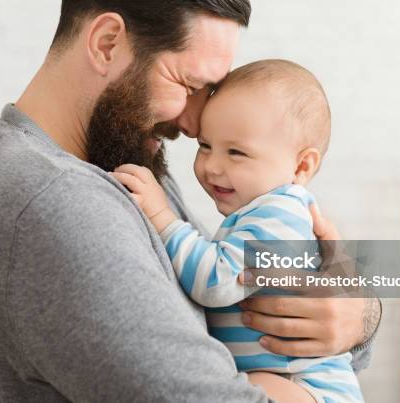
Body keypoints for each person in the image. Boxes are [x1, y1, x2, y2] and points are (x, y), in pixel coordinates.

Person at [0, 1, 380, 402]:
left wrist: (357, 317)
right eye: (189, 85)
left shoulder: (121, 162)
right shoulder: (55, 200)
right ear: (107, 44)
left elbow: (230, 292)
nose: (194, 125)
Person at [112, 59, 364, 403]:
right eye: (205, 146)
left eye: (236, 152)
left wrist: (162, 216)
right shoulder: (259, 213)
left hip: (306, 387)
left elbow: (217, 281)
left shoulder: (280, 214)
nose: (212, 166)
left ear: (301, 165)